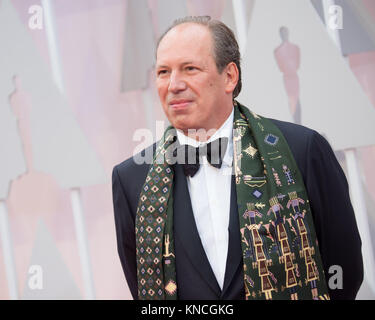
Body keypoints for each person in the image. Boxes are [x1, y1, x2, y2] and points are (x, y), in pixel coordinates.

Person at [112, 16, 363, 300]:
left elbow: (344, 269)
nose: (174, 85)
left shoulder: (302, 150)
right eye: (163, 72)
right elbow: (142, 289)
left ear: (230, 76)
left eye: (190, 69)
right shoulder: (132, 179)